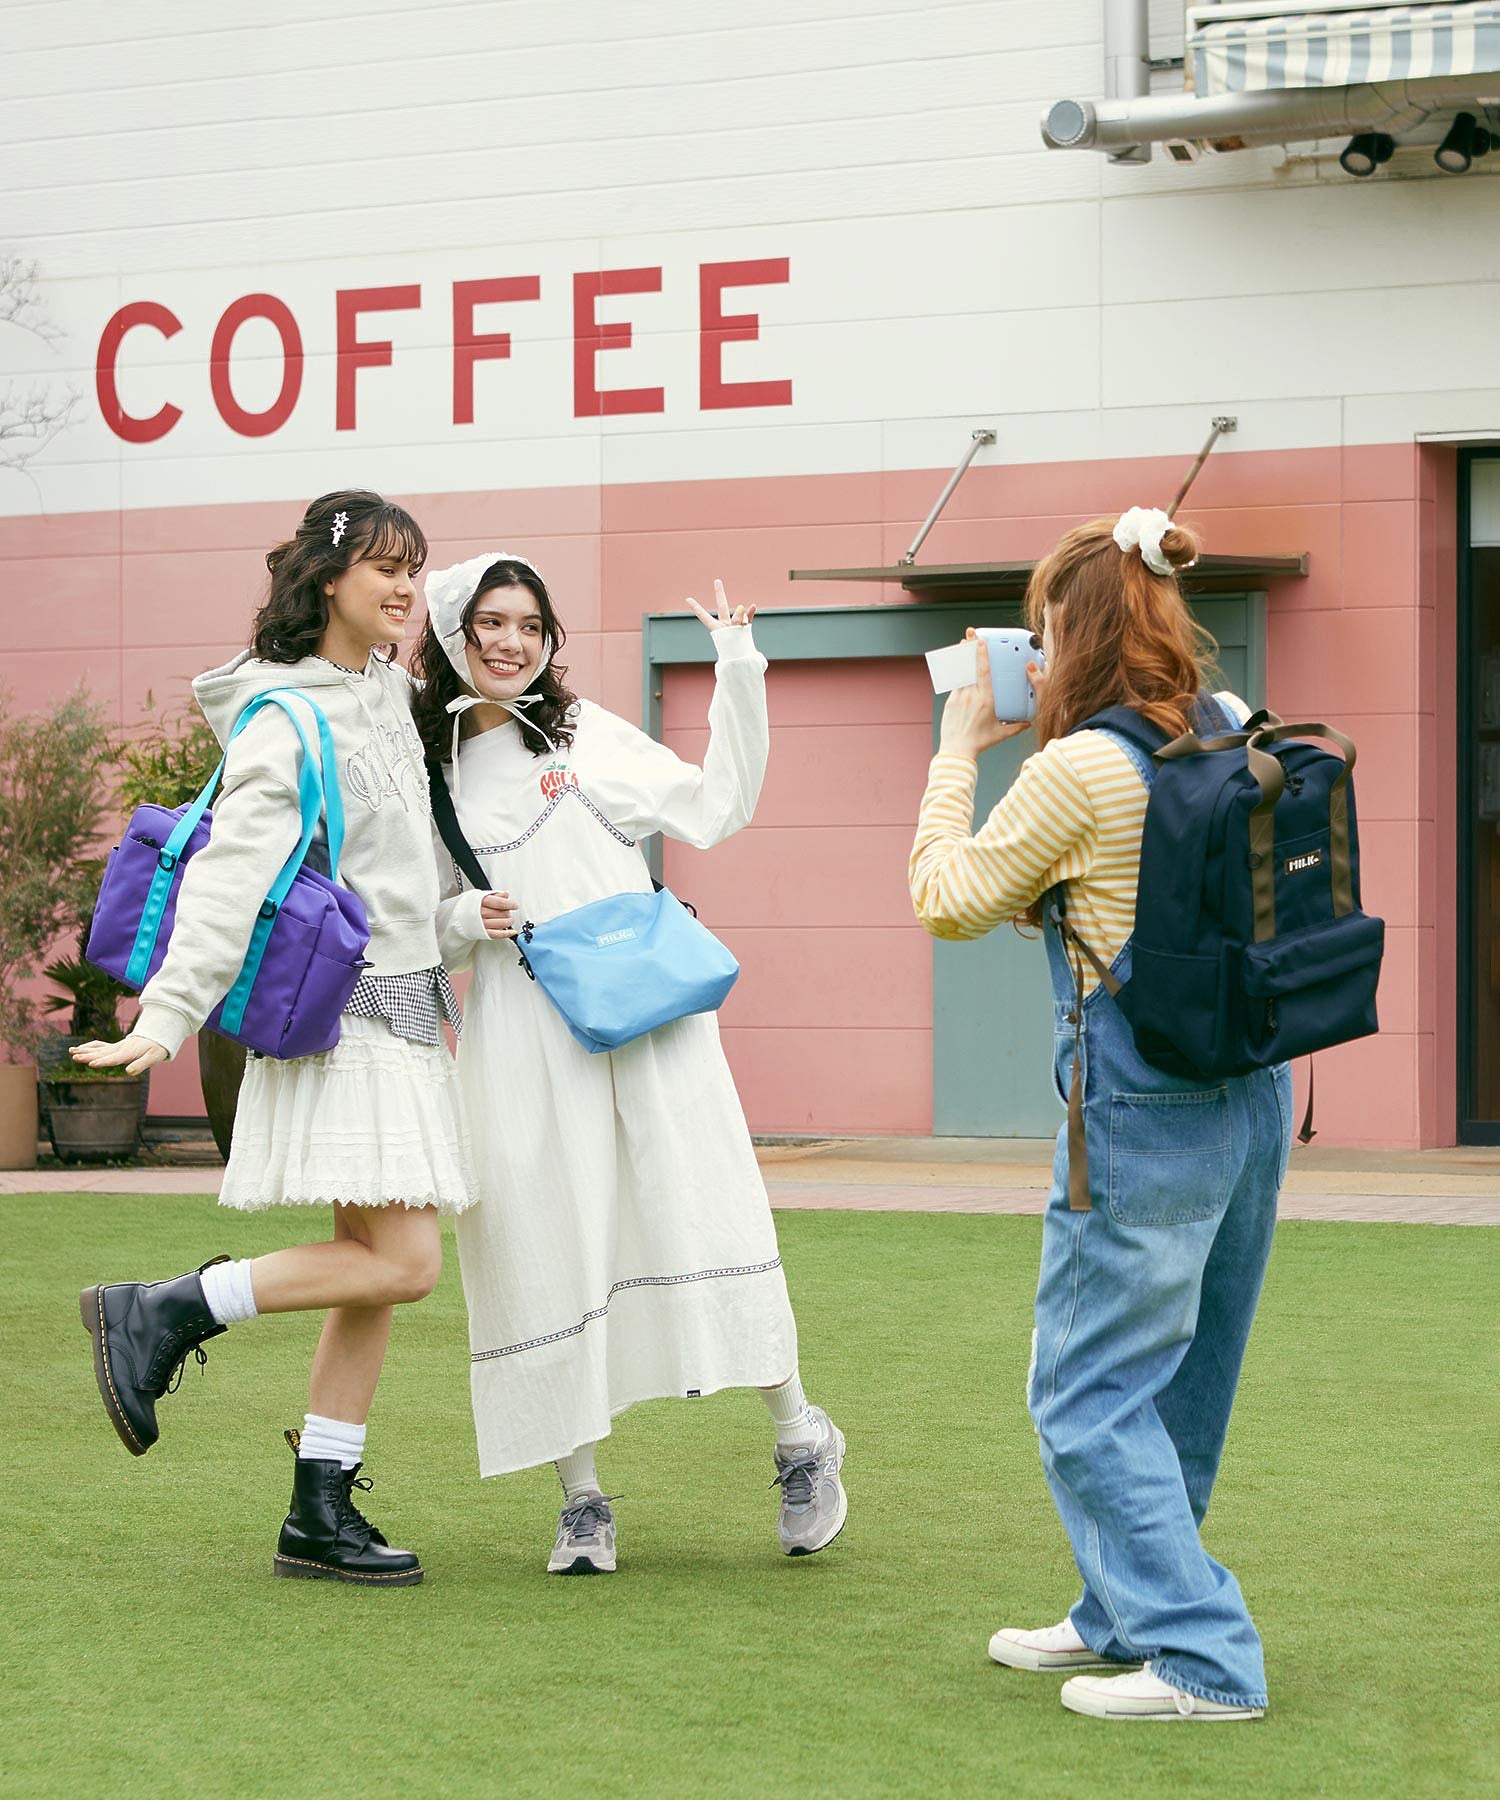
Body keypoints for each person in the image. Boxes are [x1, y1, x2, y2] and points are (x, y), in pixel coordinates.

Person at [909, 509, 1291, 1723]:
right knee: (1180, 1380)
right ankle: (1121, 1608)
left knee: (1081, 1392)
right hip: (1253, 1087)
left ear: (1060, 638)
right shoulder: (1231, 726)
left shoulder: (1077, 769)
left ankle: (1203, 1659)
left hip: (1139, 1104)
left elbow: (948, 897)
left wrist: (959, 741)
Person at [409, 552, 847, 1574]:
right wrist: (462, 916)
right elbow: (409, 920)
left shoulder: (588, 734)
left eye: (529, 623)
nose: (511, 641)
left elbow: (716, 805)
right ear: (451, 637)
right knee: (540, 1237)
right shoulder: (429, 777)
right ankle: (583, 1501)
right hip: (523, 1028)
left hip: (648, 1011)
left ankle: (799, 1437)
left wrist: (737, 666)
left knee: (706, 1207)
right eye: (489, 623)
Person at [74, 489, 474, 1588]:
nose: (404, 586)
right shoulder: (286, 716)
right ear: (328, 580)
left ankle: (318, 1511)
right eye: (383, 567)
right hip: (352, 1029)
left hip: (407, 1009)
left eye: (415, 566)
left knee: (370, 1276)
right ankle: (166, 1309)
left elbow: (404, 870)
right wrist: (166, 1015)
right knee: (405, 1264)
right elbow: (229, 876)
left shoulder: (388, 689)